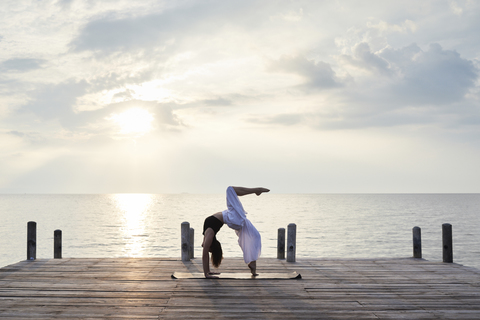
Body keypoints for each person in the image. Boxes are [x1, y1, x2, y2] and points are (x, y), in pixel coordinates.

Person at [202, 186, 270, 279]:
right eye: (211, 251)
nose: (208, 250)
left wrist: (209, 271)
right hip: (232, 218)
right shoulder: (210, 233)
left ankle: (253, 264)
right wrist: (206, 274)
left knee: (256, 236)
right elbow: (204, 253)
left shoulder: (208, 234)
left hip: (232, 218)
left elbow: (203, 246)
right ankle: (256, 190)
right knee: (230, 189)